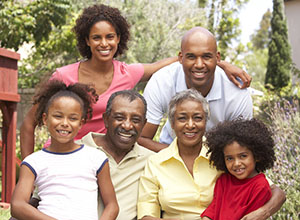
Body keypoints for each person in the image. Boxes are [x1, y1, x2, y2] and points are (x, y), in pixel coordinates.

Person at [21, 4, 250, 159]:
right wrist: (30, 167)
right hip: (63, 155)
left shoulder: (128, 73)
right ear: (86, 41)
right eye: (96, 38)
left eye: (110, 37)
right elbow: (29, 124)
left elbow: (186, 59)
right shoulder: (64, 76)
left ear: (119, 39)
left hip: (106, 160)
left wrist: (222, 65)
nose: (104, 43)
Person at [137, 89, 285, 220]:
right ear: (172, 123)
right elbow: (146, 215)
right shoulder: (156, 163)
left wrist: (262, 213)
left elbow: (275, 192)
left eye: (197, 118)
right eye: (182, 118)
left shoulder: (225, 154)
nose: (190, 125)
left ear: (206, 122)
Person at [11, 80, 119, 220]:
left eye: (73, 118)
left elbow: (112, 205)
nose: (65, 123)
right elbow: (17, 205)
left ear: (81, 123)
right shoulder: (33, 162)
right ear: (45, 119)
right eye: (58, 116)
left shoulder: (96, 158)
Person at [139, 27, 253, 152]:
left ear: (218, 57)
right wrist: (180, 157)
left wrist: (200, 159)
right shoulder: (162, 81)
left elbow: (243, 149)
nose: (199, 65)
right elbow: (142, 139)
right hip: (168, 151)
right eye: (191, 57)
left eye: (207, 56)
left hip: (217, 159)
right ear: (180, 58)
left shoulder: (236, 91)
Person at [79, 90, 154, 220]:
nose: (127, 125)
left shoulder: (152, 161)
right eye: (119, 118)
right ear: (106, 119)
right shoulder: (75, 151)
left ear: (143, 125)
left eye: (136, 120)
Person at [201, 118, 276, 220]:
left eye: (243, 156)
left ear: (257, 156)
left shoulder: (260, 186)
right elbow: (213, 209)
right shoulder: (223, 180)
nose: (236, 163)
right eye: (230, 158)